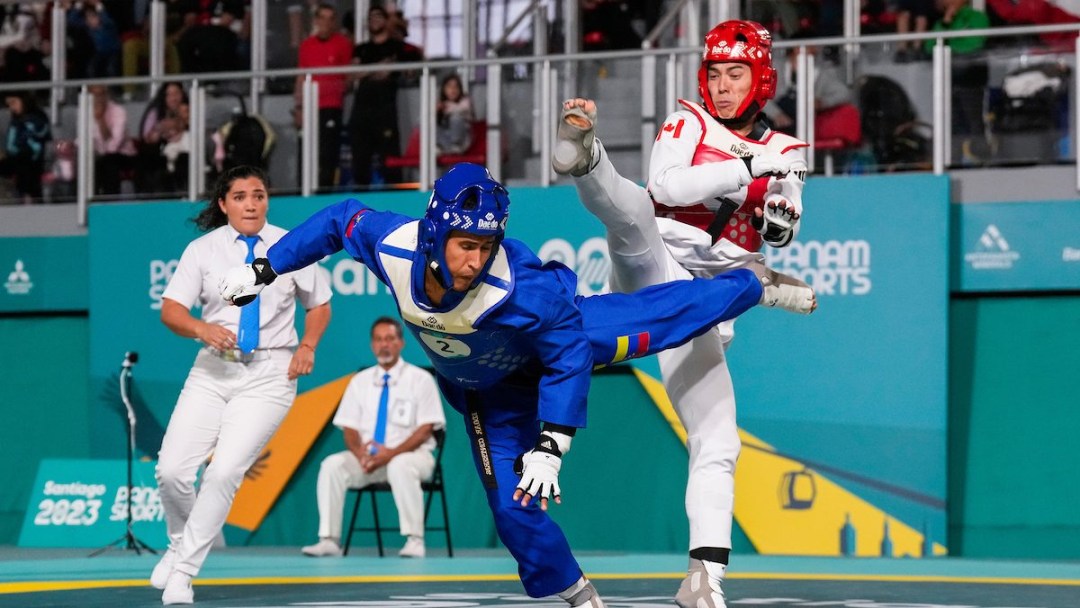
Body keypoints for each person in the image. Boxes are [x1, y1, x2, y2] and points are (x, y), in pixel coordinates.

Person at [219, 163, 814, 608]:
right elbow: (333, 219)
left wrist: (553, 446)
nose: (475, 260)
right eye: (464, 245)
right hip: (488, 394)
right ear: (432, 236)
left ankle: (752, 283)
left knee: (661, 319)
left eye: (485, 246)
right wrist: (266, 266)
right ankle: (580, 596)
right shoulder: (394, 247)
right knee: (512, 511)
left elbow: (567, 357)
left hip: (556, 344)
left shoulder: (522, 289)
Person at [550, 19, 809, 608]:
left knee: (718, 440)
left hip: (706, 306)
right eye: (715, 73)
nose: (721, 86)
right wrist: (749, 167)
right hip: (658, 266)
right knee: (635, 213)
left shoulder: (789, 150)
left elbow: (783, 222)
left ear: (760, 77)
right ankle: (586, 156)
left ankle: (703, 580)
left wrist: (779, 219)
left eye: (735, 73)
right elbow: (668, 185)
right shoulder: (688, 118)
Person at [152, 165, 332, 605]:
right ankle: (178, 543)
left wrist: (308, 345)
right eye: (240, 196)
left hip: (270, 374)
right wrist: (201, 329)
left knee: (225, 471)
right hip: (213, 368)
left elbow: (320, 303)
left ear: (267, 200)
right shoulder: (203, 250)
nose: (251, 203)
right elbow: (172, 309)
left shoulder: (292, 246)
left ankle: (185, 573)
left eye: (258, 195)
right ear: (223, 204)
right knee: (172, 470)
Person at [301, 316, 445, 559]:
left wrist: (390, 454)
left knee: (400, 465)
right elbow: (349, 428)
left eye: (389, 339)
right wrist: (361, 455)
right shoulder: (360, 381)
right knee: (332, 465)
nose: (384, 345)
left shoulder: (421, 380)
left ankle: (414, 540)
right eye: (378, 340)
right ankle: (329, 539)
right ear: (372, 345)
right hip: (370, 459)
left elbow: (425, 429)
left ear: (401, 343)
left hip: (413, 458)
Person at [294, 2, 353, 190]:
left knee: (328, 152)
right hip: (310, 107)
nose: (326, 23)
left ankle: (324, 191)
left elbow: (349, 75)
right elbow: (301, 76)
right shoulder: (306, 45)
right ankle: (302, 191)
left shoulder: (343, 44)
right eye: (323, 18)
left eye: (330, 18)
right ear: (316, 20)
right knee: (306, 150)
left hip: (331, 106)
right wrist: (299, 107)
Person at [349, 5, 404, 187]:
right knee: (360, 161)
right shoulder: (362, 49)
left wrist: (366, 70)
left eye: (379, 17)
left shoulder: (395, 47)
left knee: (390, 162)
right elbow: (352, 74)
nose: (375, 21)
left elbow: (390, 72)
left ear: (386, 21)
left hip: (385, 112)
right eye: (371, 18)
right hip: (361, 111)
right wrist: (378, 67)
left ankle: (396, 203)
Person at [135, 81, 188, 195]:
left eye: (176, 93)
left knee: (184, 159)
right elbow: (148, 138)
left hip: (184, 150)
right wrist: (160, 130)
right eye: (169, 94)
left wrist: (180, 122)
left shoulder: (189, 110)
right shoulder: (156, 112)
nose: (173, 98)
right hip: (161, 150)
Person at [0, 91, 51, 205]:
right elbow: (12, 142)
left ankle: (30, 201)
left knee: (25, 170)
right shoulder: (16, 119)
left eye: (13, 102)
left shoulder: (37, 118)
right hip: (15, 159)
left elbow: (36, 142)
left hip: (33, 160)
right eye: (9, 104)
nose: (11, 107)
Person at [89, 84, 135, 197]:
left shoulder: (119, 111)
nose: (98, 98)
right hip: (98, 156)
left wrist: (100, 120)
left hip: (123, 156)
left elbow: (114, 146)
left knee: (108, 161)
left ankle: (110, 201)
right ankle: (88, 200)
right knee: (85, 160)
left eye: (101, 94)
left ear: (107, 95)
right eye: (94, 95)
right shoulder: (85, 111)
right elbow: (82, 139)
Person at [436, 73, 474, 155]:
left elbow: (461, 109)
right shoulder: (442, 104)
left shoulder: (465, 101)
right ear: (443, 89)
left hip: (463, 141)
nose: (453, 89)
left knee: (455, 117)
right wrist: (436, 112)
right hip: (446, 141)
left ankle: (456, 145)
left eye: (456, 86)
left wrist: (445, 106)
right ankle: (439, 146)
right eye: (449, 86)